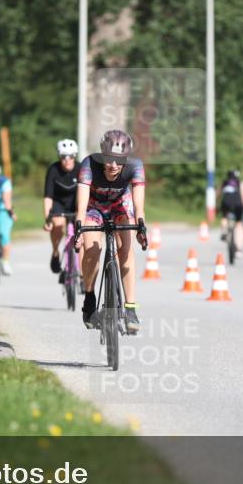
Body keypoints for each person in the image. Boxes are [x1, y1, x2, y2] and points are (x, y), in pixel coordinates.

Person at [74, 130, 147, 333]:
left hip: (120, 206)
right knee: (92, 249)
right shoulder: (89, 164)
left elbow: (138, 205)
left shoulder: (135, 166)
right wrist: (78, 230)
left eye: (119, 160)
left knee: (125, 249)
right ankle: (89, 297)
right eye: (109, 159)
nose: (113, 166)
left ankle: (130, 308)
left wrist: (141, 226)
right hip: (93, 207)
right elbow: (81, 206)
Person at [43, 139, 80, 275]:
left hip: (76, 202)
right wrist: (47, 219)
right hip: (58, 203)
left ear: (75, 156)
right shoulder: (53, 170)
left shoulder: (80, 169)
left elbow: (85, 193)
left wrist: (81, 212)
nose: (67, 160)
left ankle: (82, 271)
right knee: (57, 224)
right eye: (64, 156)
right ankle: (55, 252)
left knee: (81, 232)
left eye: (71, 156)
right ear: (59, 157)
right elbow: (48, 196)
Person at [219, 169, 243, 255]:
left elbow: (219, 194)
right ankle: (239, 249)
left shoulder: (225, 183)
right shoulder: (241, 183)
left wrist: (218, 204)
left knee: (224, 217)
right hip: (238, 205)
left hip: (226, 203)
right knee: (239, 225)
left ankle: (224, 231)